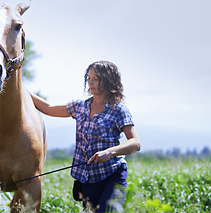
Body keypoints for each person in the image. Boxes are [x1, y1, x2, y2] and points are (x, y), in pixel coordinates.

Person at [30, 60, 140, 212]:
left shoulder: (118, 110)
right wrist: (21, 89)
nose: (91, 82)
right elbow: (48, 108)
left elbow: (135, 143)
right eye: (88, 78)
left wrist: (110, 152)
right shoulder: (80, 106)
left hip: (113, 175)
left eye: (96, 78)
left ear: (108, 80)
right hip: (88, 180)